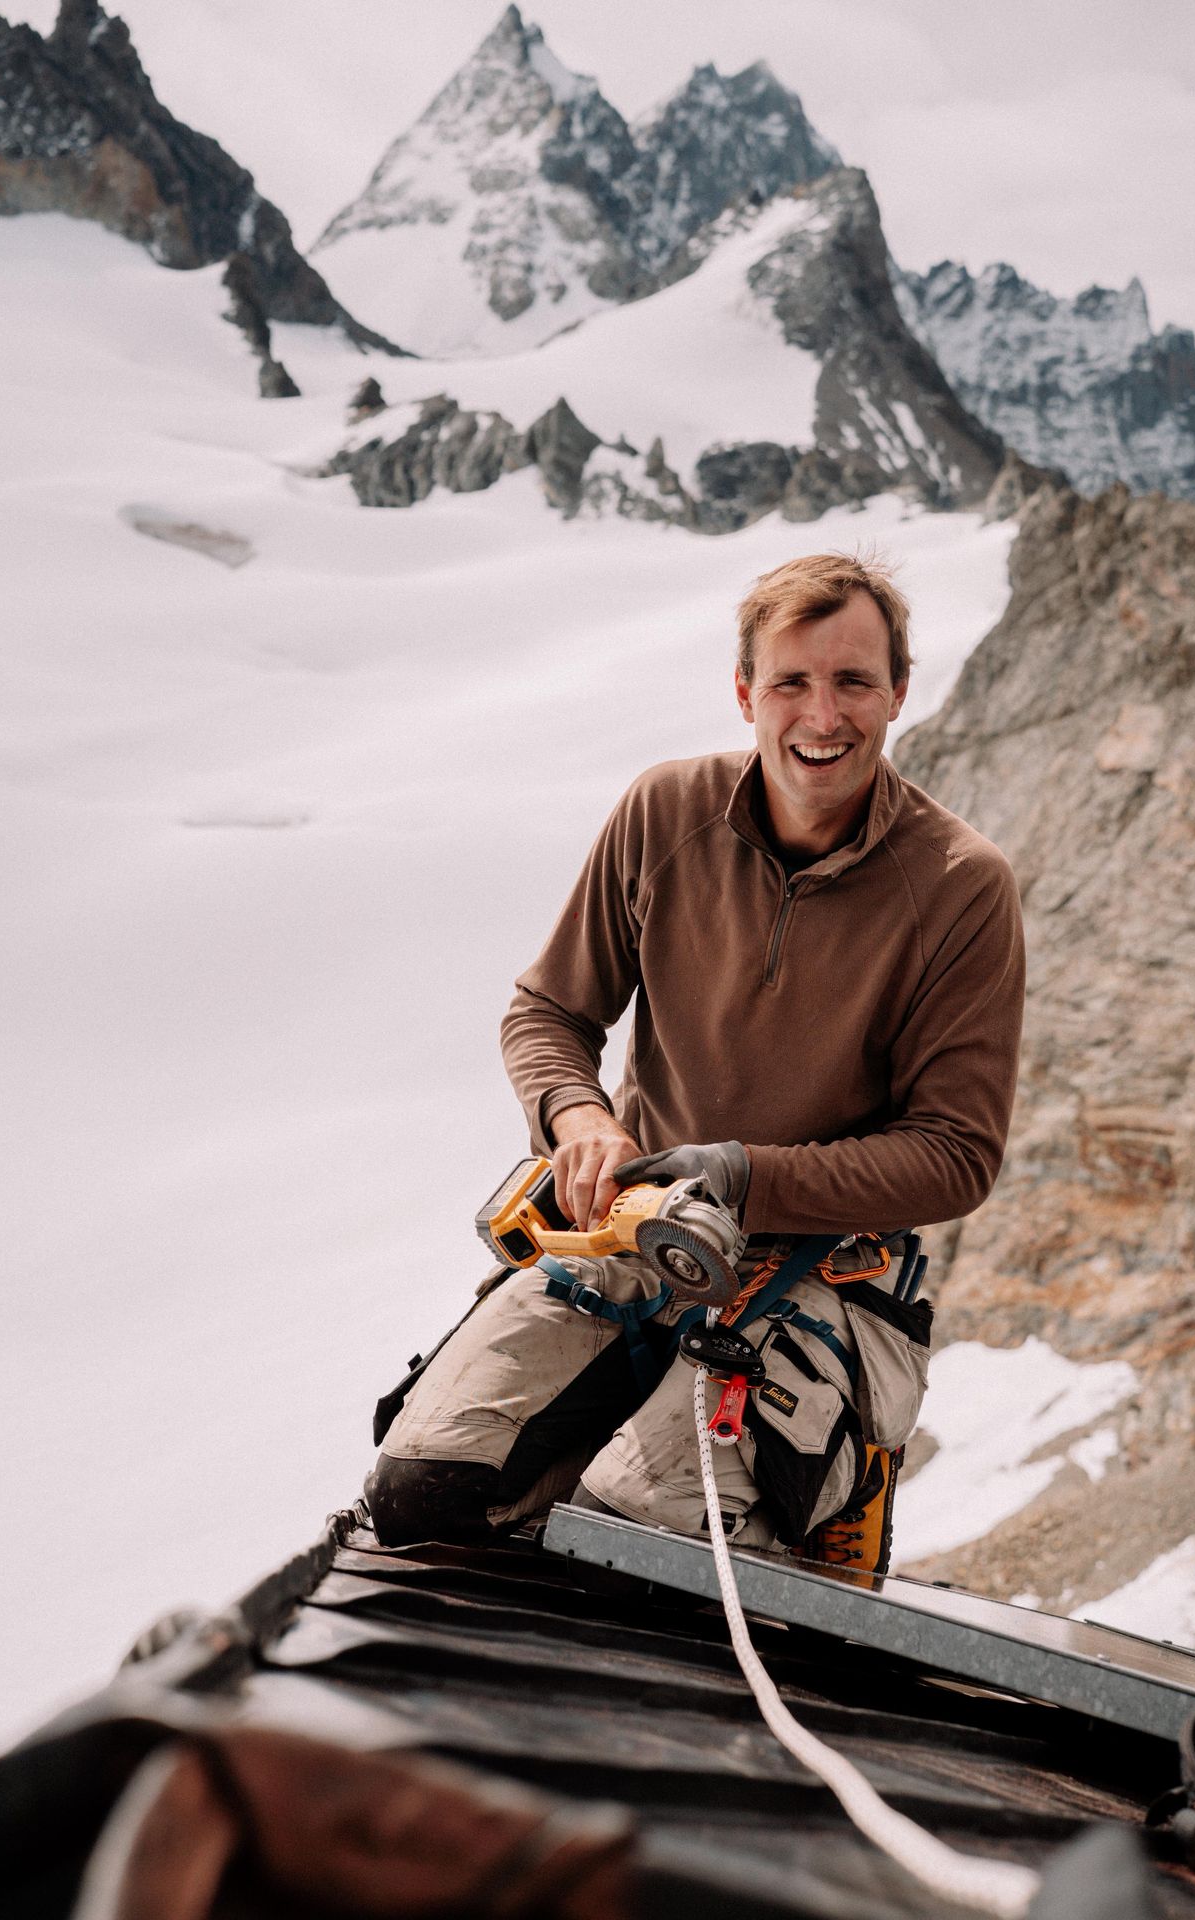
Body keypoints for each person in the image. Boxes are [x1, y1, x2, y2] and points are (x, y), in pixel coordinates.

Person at [368, 552, 1025, 1569]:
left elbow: (953, 1156)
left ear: (898, 690)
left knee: (633, 1535)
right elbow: (548, 1011)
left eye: (853, 681)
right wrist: (576, 1119)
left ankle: (815, 1481)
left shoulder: (956, 887)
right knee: (420, 1488)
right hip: (638, 1239)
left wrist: (743, 1172)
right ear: (743, 693)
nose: (822, 715)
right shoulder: (663, 815)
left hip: (825, 1278)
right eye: (790, 682)